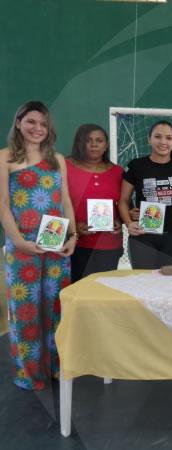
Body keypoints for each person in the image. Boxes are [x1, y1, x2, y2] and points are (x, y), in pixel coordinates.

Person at [0, 101, 77, 390]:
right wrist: (19, 242)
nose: (37, 129)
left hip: (56, 245)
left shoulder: (57, 159)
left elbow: (65, 201)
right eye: (31, 122)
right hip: (23, 247)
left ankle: (56, 366)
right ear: (18, 122)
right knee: (26, 309)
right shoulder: (4, 158)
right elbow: (3, 206)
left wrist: (71, 237)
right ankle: (30, 372)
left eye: (43, 124)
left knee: (56, 305)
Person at [118, 120, 172, 269]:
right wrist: (129, 223)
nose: (163, 142)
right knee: (144, 283)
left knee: (171, 283)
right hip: (143, 236)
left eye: (168, 138)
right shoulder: (136, 166)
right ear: (149, 139)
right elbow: (123, 200)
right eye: (158, 136)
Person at [67, 124, 124, 282]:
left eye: (99, 140)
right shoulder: (65, 167)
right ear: (80, 143)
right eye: (88, 140)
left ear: (106, 145)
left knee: (103, 296)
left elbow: (125, 205)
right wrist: (73, 228)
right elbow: (54, 204)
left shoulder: (118, 172)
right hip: (74, 245)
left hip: (109, 246)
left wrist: (119, 221)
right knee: (76, 294)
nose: (94, 144)